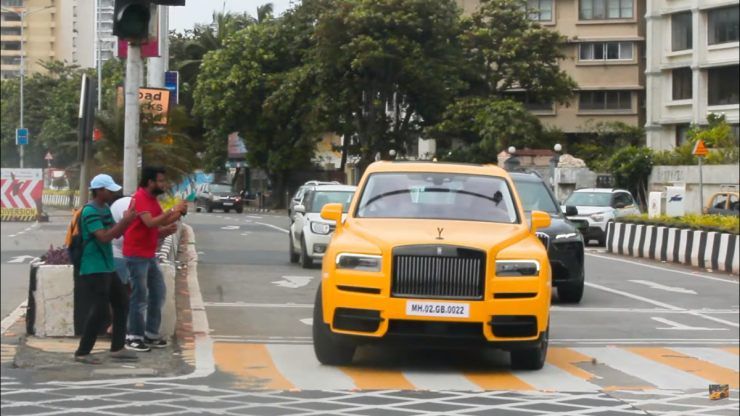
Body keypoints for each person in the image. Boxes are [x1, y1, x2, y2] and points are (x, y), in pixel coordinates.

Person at [74, 174, 138, 364]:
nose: (112, 193)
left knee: (122, 302)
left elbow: (116, 232)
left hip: (107, 265)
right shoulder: (90, 211)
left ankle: (117, 347)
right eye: (109, 190)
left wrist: (128, 222)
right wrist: (125, 222)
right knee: (100, 310)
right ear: (99, 191)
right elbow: (103, 237)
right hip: (93, 266)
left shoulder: (105, 209)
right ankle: (82, 352)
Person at [124, 167, 186, 352]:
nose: (163, 185)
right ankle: (133, 336)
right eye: (160, 181)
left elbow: (162, 221)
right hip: (136, 254)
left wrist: (179, 212)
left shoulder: (152, 199)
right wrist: (171, 211)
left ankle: (151, 333)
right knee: (139, 295)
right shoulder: (140, 197)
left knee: (158, 293)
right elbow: (150, 222)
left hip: (149, 254)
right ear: (150, 182)